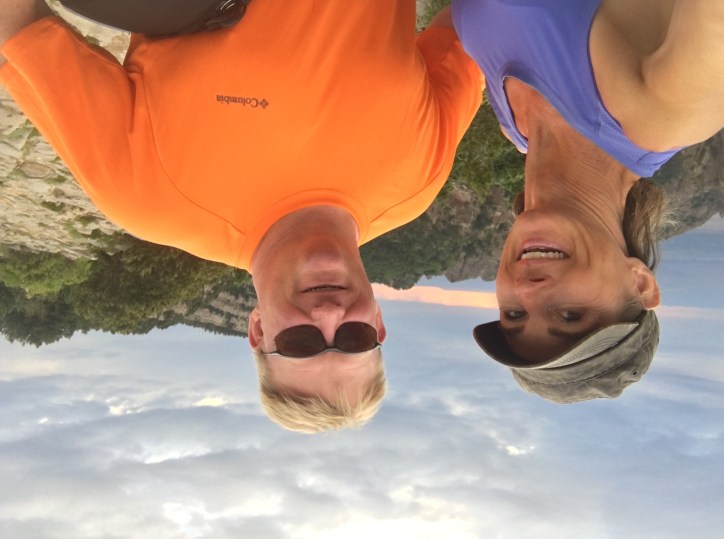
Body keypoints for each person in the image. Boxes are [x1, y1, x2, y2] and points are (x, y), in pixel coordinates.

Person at [0, 1, 484, 430]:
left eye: (300, 343)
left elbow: (20, 30)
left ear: (257, 331)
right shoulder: (417, 183)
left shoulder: (151, 200)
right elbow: (480, 25)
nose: (328, 315)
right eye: (355, 338)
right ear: (378, 325)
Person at [449, 0, 724, 402]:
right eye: (570, 315)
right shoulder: (662, 111)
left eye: (514, 314)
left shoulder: (515, 128)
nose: (527, 291)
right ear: (639, 284)